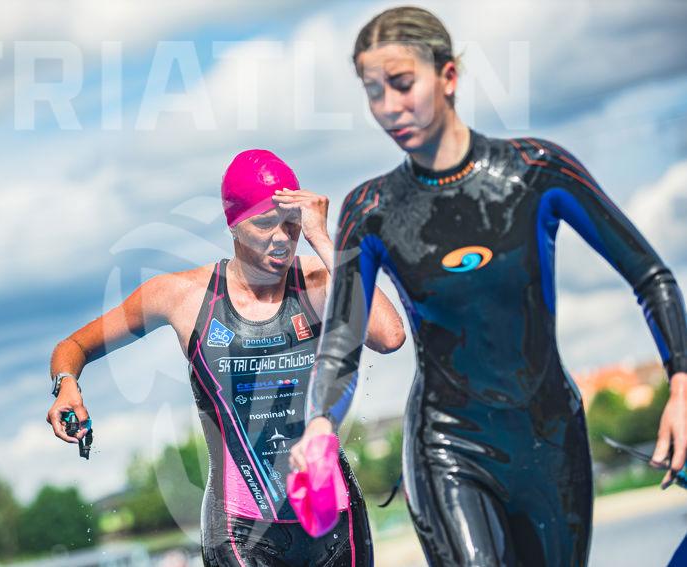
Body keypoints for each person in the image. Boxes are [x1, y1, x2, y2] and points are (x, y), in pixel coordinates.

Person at [290, 6, 687, 566]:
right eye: (373, 92)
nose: (388, 107)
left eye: (401, 84)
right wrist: (320, 426)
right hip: (446, 445)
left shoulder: (535, 172)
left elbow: (650, 276)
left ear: (448, 76)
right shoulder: (372, 209)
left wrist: (681, 383)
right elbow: (341, 339)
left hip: (550, 441)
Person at [47, 149, 405, 566]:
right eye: (264, 223)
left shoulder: (318, 281)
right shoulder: (182, 296)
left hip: (334, 517)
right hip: (238, 530)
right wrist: (66, 384)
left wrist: (324, 240)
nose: (281, 237)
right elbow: (73, 346)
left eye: (291, 223)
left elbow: (389, 335)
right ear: (233, 224)